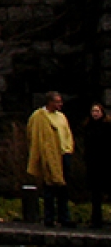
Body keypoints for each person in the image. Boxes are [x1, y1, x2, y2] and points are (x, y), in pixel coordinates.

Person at [27, 91, 74, 227]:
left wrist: (68, 149)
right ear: (50, 102)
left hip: (63, 154)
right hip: (48, 155)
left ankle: (64, 217)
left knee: (63, 188)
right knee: (49, 187)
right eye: (57, 102)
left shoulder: (61, 117)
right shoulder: (39, 116)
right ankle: (49, 217)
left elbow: (67, 133)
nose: (60, 104)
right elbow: (32, 135)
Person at [85, 103, 111, 228]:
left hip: (105, 163)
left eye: (97, 111)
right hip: (93, 164)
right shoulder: (88, 127)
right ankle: (96, 219)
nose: (95, 113)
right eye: (93, 111)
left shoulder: (107, 127)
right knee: (95, 194)